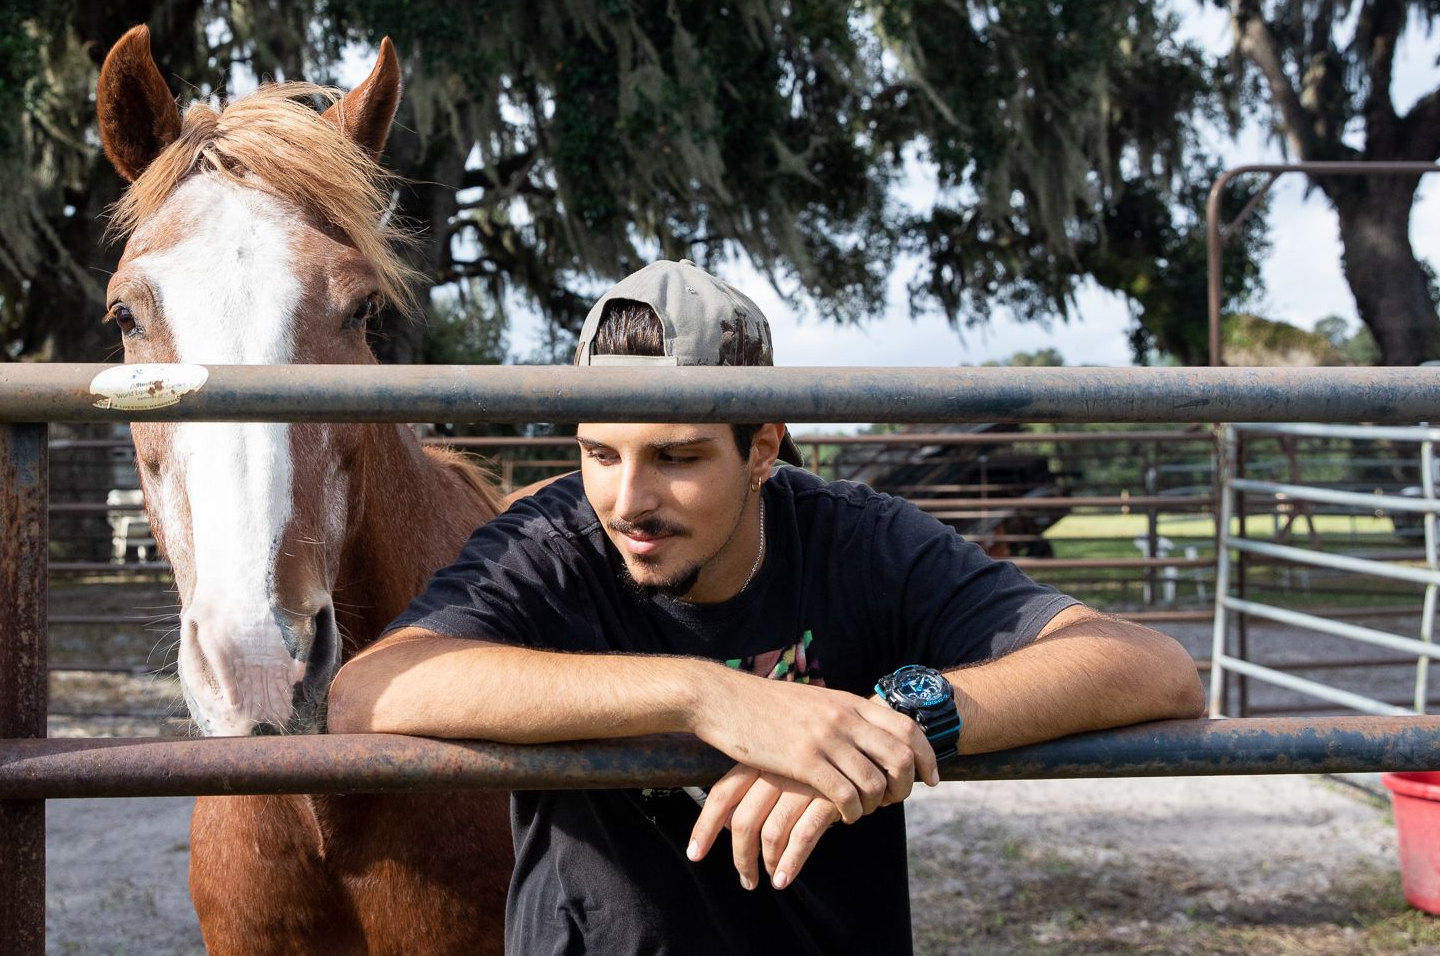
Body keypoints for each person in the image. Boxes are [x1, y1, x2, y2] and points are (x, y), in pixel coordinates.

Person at [327, 259, 1206, 954]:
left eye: (677, 456)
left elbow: (1153, 668)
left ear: (763, 449)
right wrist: (714, 698)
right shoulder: (550, 541)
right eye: (599, 451)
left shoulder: (855, 539)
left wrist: (887, 721)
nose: (627, 499)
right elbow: (367, 693)